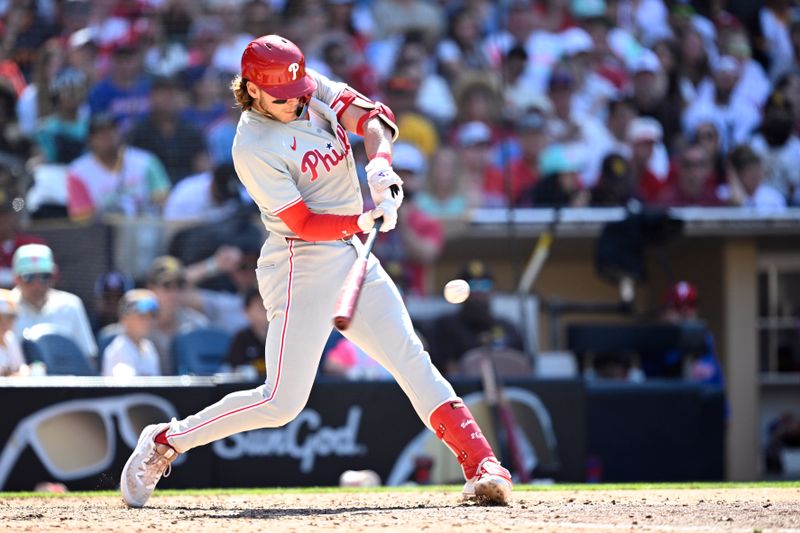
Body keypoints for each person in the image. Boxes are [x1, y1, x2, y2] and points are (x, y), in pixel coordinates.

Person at [121, 34, 512, 509]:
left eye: (299, 90)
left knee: (412, 358)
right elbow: (302, 221)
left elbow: (374, 119)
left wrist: (381, 169)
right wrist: (363, 219)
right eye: (282, 97)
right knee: (281, 402)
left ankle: (483, 465)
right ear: (253, 89)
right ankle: (166, 440)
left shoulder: (309, 90)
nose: (296, 101)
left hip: (351, 253)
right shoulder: (252, 145)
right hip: (298, 262)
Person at [428, 259, 525, 376]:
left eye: (485, 285)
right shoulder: (445, 327)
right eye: (472, 286)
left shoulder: (508, 328)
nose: (479, 292)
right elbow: (439, 369)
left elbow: (524, 369)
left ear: (493, 290)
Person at [10, 243, 98, 363]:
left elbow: (88, 357)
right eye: (28, 277)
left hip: (64, 380)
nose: (37, 285)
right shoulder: (4, 307)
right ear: (15, 278)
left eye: (44, 276)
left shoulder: (70, 305)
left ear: (54, 275)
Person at [101, 289, 161, 378]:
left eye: (151, 316)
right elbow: (129, 390)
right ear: (125, 318)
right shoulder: (118, 350)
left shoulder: (149, 347)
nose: (148, 321)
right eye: (141, 316)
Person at [222, 287, 268, 380]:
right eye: (260, 307)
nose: (266, 311)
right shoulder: (241, 337)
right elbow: (230, 368)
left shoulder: (280, 338)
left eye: (268, 307)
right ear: (246, 311)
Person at [0, 288, 28, 376]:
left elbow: (21, 367)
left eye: (12, 317)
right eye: (4, 317)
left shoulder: (9, 337)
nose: (8, 322)